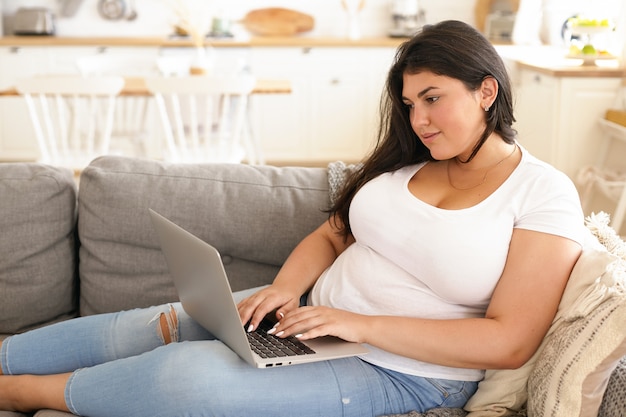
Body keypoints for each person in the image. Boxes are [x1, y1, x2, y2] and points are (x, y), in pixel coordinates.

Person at [0, 20, 585, 416]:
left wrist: (360, 325)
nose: (419, 119)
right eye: (409, 105)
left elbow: (509, 340)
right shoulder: (410, 163)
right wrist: (284, 290)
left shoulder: (543, 193)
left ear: (486, 91)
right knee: (147, 326)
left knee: (185, 375)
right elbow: (333, 234)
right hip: (307, 323)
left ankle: (22, 393)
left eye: (433, 98)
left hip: (400, 369)